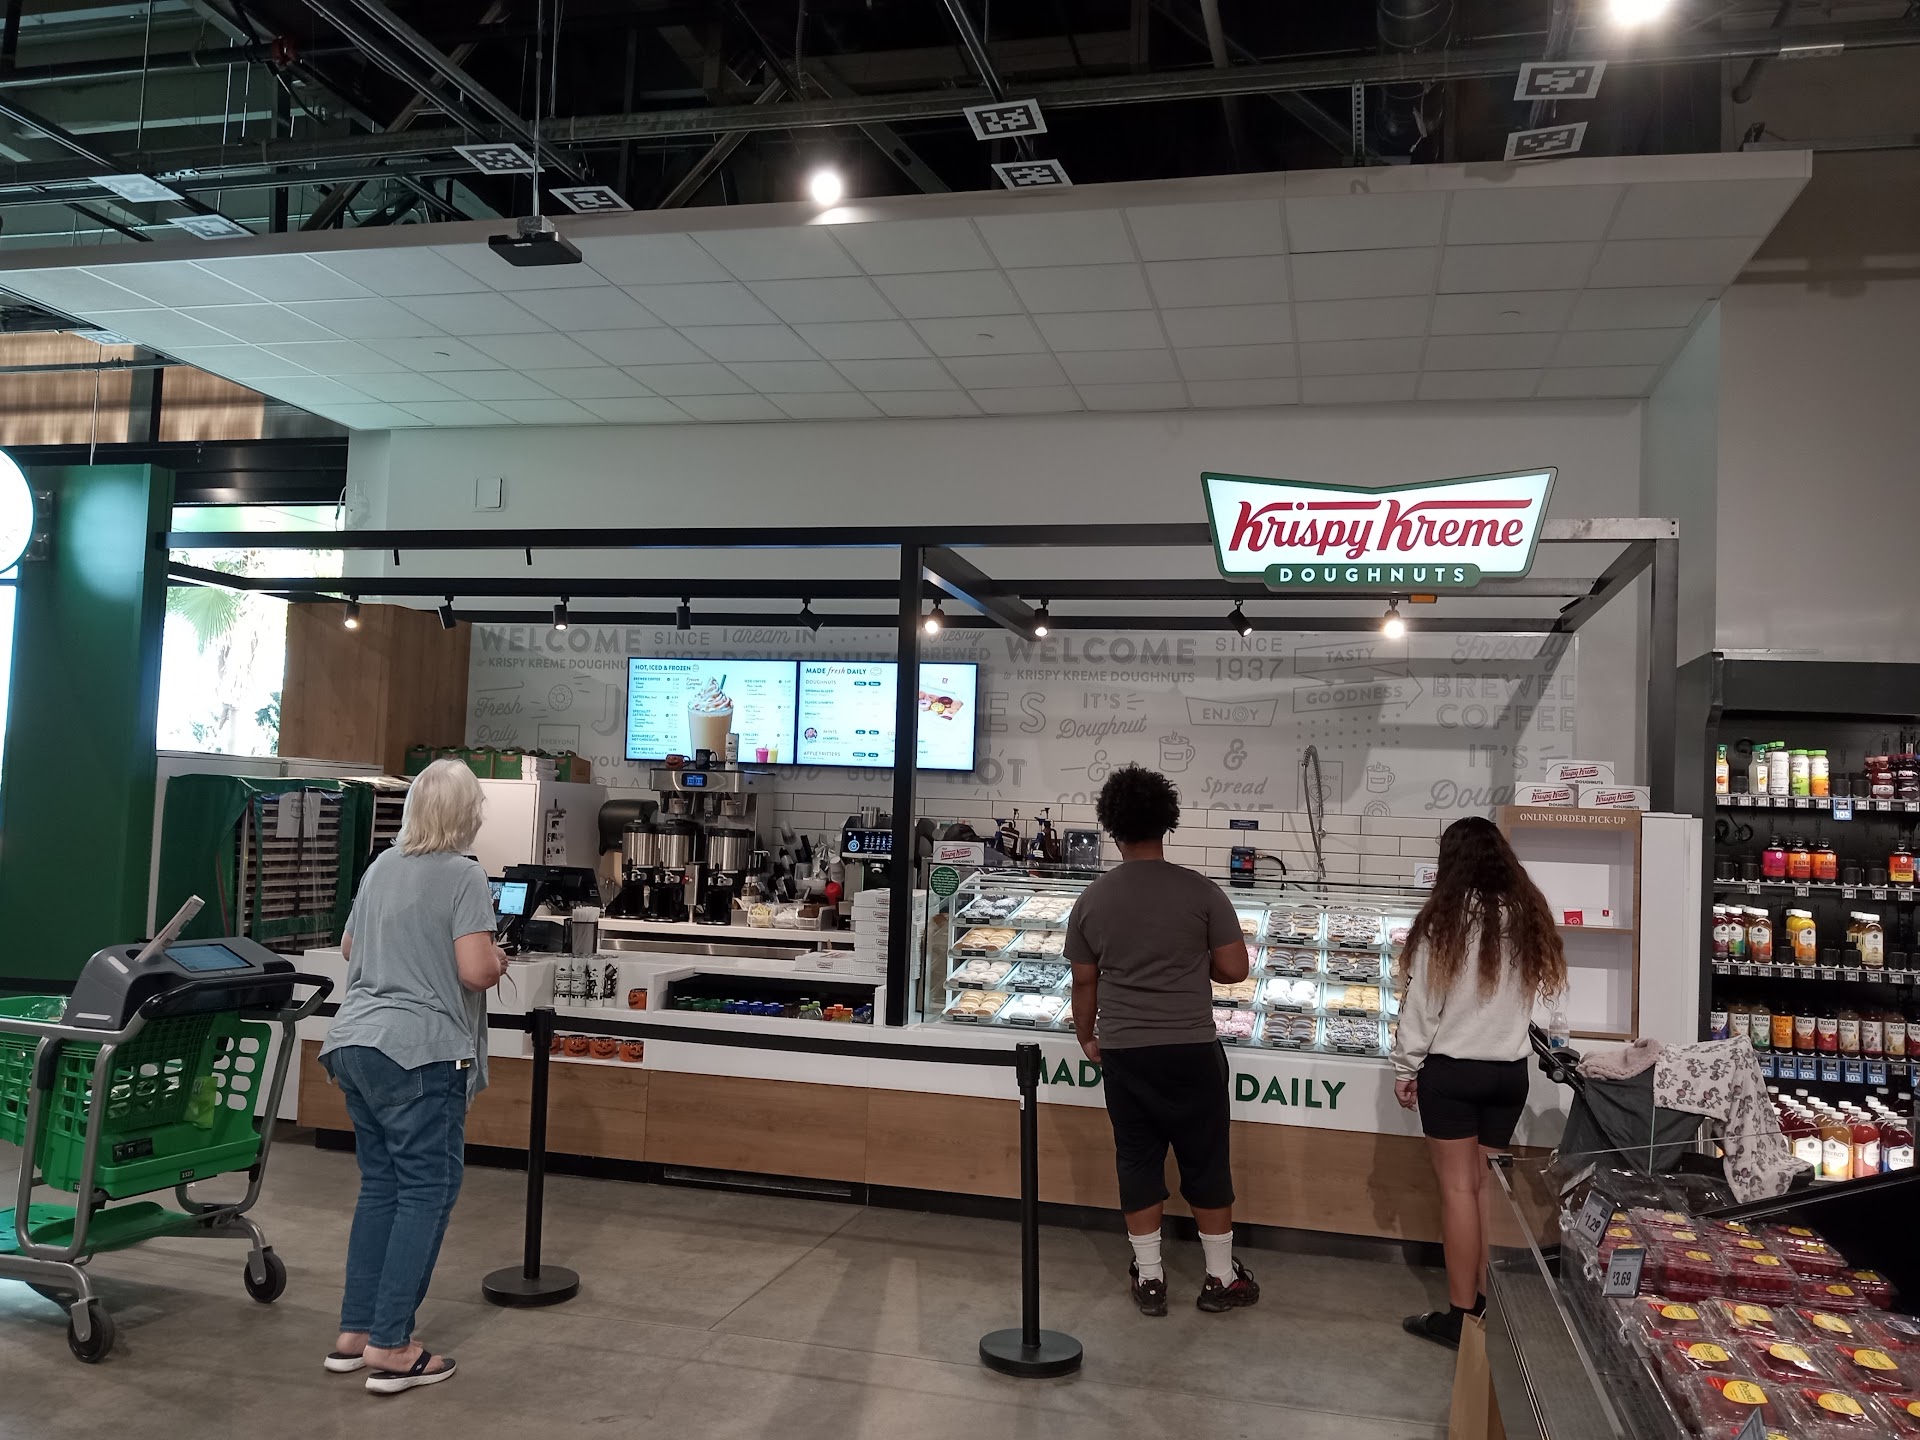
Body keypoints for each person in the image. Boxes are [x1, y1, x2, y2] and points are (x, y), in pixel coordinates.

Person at [317, 759, 509, 1394]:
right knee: (427, 1191)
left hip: (355, 1043)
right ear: (468, 814)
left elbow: (351, 948)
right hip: (421, 1052)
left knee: (381, 1188)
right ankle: (393, 1345)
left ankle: (355, 1332)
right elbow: (475, 971)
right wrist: (498, 957)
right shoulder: (464, 874)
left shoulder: (381, 866)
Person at [1066, 764, 1259, 1317]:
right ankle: (1221, 1277)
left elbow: (1085, 981)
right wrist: (1192, 964)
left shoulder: (1092, 899)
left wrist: (1088, 1037)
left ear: (1112, 827)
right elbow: (1234, 969)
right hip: (1192, 1048)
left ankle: (1150, 1278)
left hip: (1126, 1050)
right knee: (1206, 1159)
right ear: (1168, 822)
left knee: (1137, 1158)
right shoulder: (1200, 890)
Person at [1392, 815, 1566, 1349]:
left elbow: (1423, 1007)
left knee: (1457, 1192)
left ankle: (1459, 1315)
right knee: (1487, 1191)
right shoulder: (1529, 916)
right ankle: (1489, 1305)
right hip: (1509, 1077)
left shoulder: (1444, 921)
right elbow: (1546, 1005)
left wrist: (1405, 1068)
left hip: (1453, 1074)